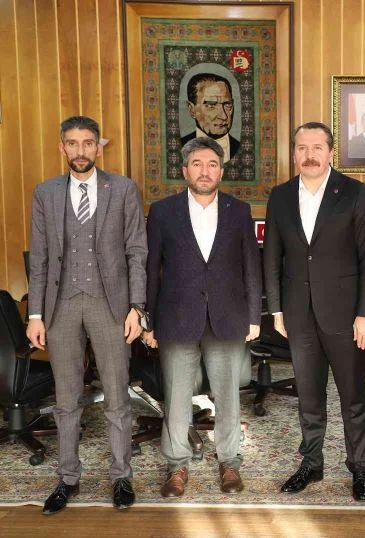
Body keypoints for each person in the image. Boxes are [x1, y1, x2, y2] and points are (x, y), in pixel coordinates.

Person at [26, 115, 147, 513]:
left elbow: (136, 252)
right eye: (72, 143)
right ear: (62, 147)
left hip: (110, 304)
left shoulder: (123, 189)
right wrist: (35, 314)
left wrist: (137, 307)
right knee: (66, 398)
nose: (80, 150)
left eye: (88, 143)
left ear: (99, 146)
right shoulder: (45, 193)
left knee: (117, 395)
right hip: (60, 305)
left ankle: (121, 476)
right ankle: (68, 478)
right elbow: (40, 259)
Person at [264, 121, 365, 501]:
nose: (309, 155)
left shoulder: (355, 193)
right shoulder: (280, 196)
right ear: (294, 153)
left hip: (346, 316)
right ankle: (311, 463)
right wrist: (276, 310)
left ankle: (360, 467)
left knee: (353, 397)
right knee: (309, 397)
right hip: (298, 315)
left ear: (331, 152)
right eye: (302, 148)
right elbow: (272, 257)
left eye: (317, 147)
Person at [143, 137, 261, 498]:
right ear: (185, 171)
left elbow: (251, 267)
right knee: (177, 396)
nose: (205, 171)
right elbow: (151, 270)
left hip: (227, 315)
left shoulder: (239, 211)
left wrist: (253, 317)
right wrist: (149, 321)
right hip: (176, 317)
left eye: (212, 164)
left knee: (227, 396)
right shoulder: (162, 212)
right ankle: (176, 466)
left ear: (221, 171)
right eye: (197, 164)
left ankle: (229, 462)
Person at [181, 73, 240, 163]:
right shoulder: (178, 147)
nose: (223, 116)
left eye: (227, 105)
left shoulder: (242, 148)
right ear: (192, 110)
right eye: (211, 105)